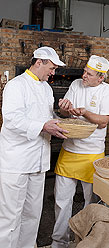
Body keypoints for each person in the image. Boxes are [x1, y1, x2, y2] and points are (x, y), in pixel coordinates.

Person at [0, 46, 68, 248]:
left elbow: (47, 118)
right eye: (52, 68)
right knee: (11, 216)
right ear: (39, 62)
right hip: (17, 161)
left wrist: (63, 117)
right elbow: (12, 120)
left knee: (32, 213)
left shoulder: (46, 88)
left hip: (39, 161)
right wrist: (43, 126)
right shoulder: (16, 86)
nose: (53, 73)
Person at [51, 55, 109, 248]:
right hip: (69, 150)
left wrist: (85, 112)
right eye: (84, 71)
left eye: (88, 73)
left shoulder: (107, 91)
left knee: (91, 203)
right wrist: (64, 108)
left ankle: (87, 242)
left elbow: (104, 121)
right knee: (61, 201)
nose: (83, 75)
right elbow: (64, 113)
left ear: (101, 78)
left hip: (92, 154)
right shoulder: (77, 84)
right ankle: (58, 242)